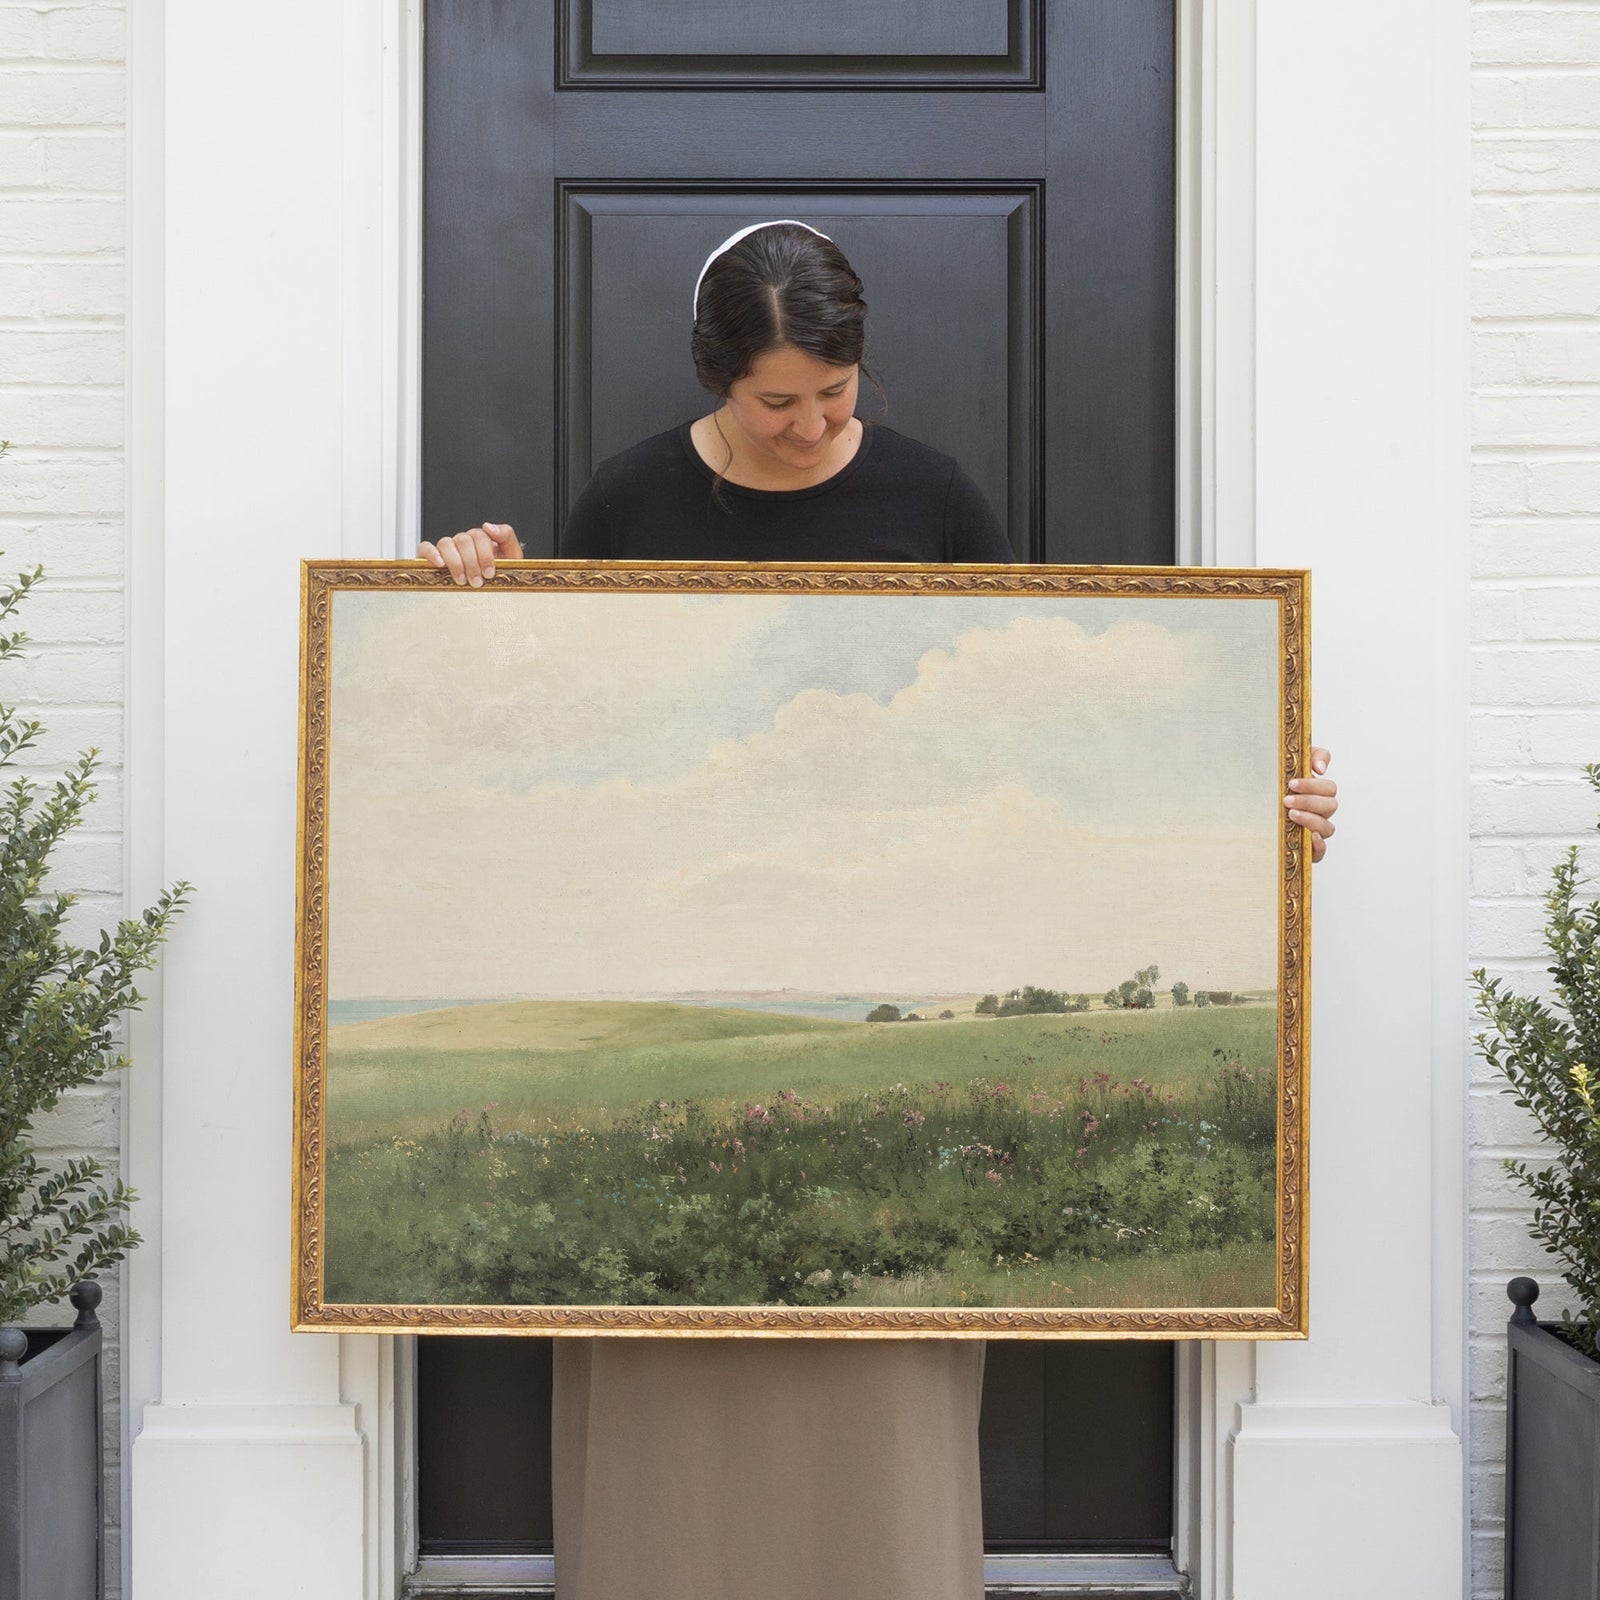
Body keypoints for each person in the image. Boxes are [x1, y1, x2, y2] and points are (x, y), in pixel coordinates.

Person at [421, 221, 1339, 1600]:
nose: (808, 427)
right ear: (717, 378)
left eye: (833, 395)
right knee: (661, 1395)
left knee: (881, 1407)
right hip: (681, 945)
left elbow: (1041, 746)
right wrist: (458, 603)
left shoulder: (935, 498)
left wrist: (1260, 814)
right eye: (774, 401)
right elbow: (542, 746)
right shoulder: (628, 501)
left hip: (887, 914)